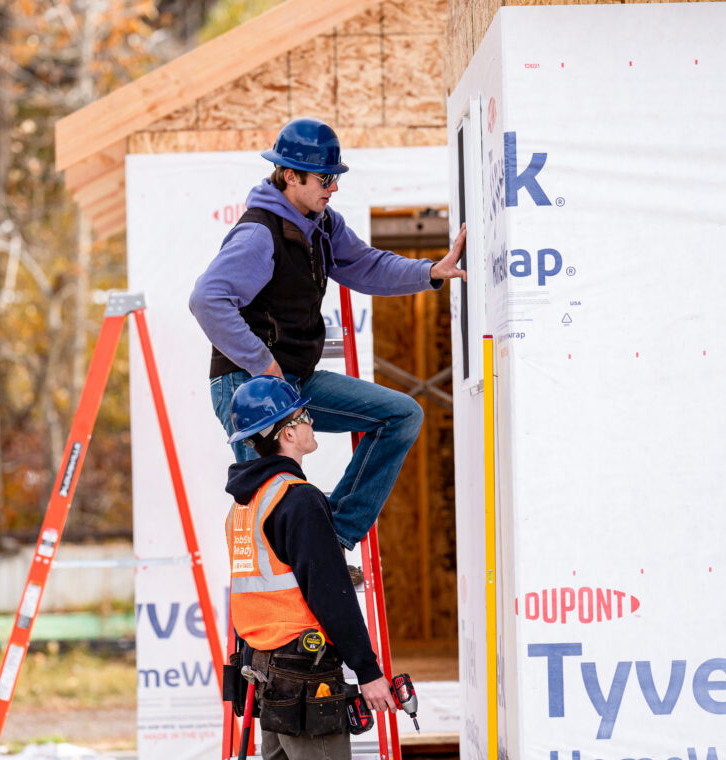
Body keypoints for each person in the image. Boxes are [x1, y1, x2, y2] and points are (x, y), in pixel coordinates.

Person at [190, 116, 467, 551]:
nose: (333, 187)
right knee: (272, 506)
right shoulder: (260, 234)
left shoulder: (322, 224)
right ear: (290, 176)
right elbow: (206, 300)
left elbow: (366, 266)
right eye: (324, 178)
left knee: (400, 416)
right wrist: (263, 364)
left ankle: (332, 536)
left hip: (293, 381)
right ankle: (291, 579)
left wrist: (430, 271)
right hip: (249, 386)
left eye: (335, 178)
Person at [224, 375, 398, 760]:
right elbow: (330, 594)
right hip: (303, 671)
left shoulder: (245, 505)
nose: (311, 421)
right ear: (287, 433)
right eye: (303, 416)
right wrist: (368, 671)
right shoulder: (299, 499)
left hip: (266, 671)